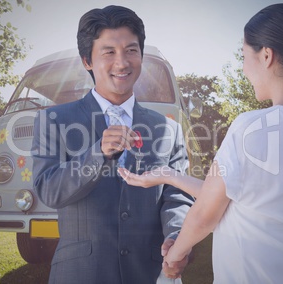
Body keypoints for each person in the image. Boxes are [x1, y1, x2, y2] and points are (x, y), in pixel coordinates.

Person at [118, 3, 283, 283]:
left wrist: (173, 258)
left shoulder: (253, 126)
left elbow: (206, 214)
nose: (244, 69)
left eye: (245, 56)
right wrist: (168, 175)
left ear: (266, 55)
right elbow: (232, 197)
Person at [31, 5, 194, 284]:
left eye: (131, 50)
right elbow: (49, 190)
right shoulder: (53, 120)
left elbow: (176, 196)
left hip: (151, 272)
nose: (122, 63)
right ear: (87, 61)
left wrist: (177, 236)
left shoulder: (169, 128)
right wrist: (97, 153)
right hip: (81, 274)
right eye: (109, 52)